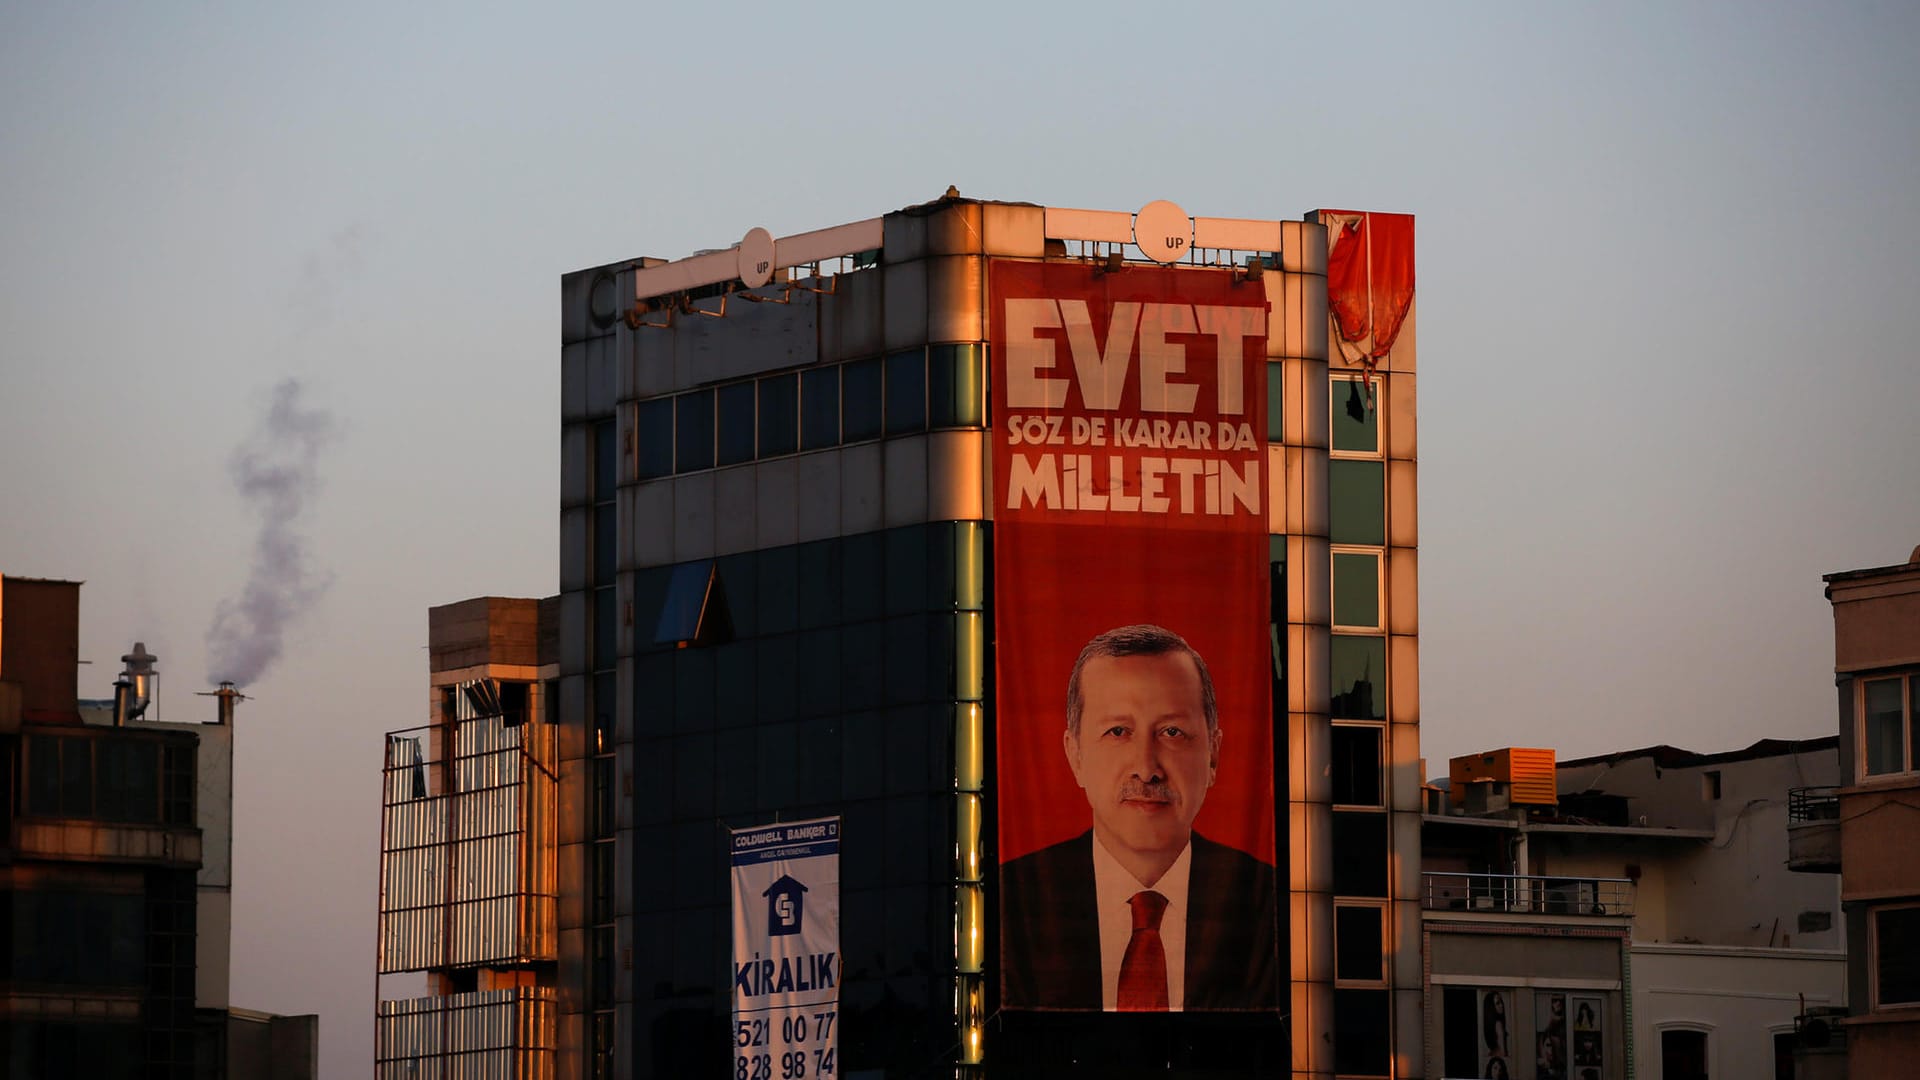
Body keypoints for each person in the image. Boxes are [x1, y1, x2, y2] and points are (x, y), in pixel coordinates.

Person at [1001, 624, 1278, 1011]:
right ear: (1075, 755)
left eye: (1171, 732)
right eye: (1118, 731)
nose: (1147, 769)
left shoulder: (1273, 906)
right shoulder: (1009, 904)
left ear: (1213, 755)